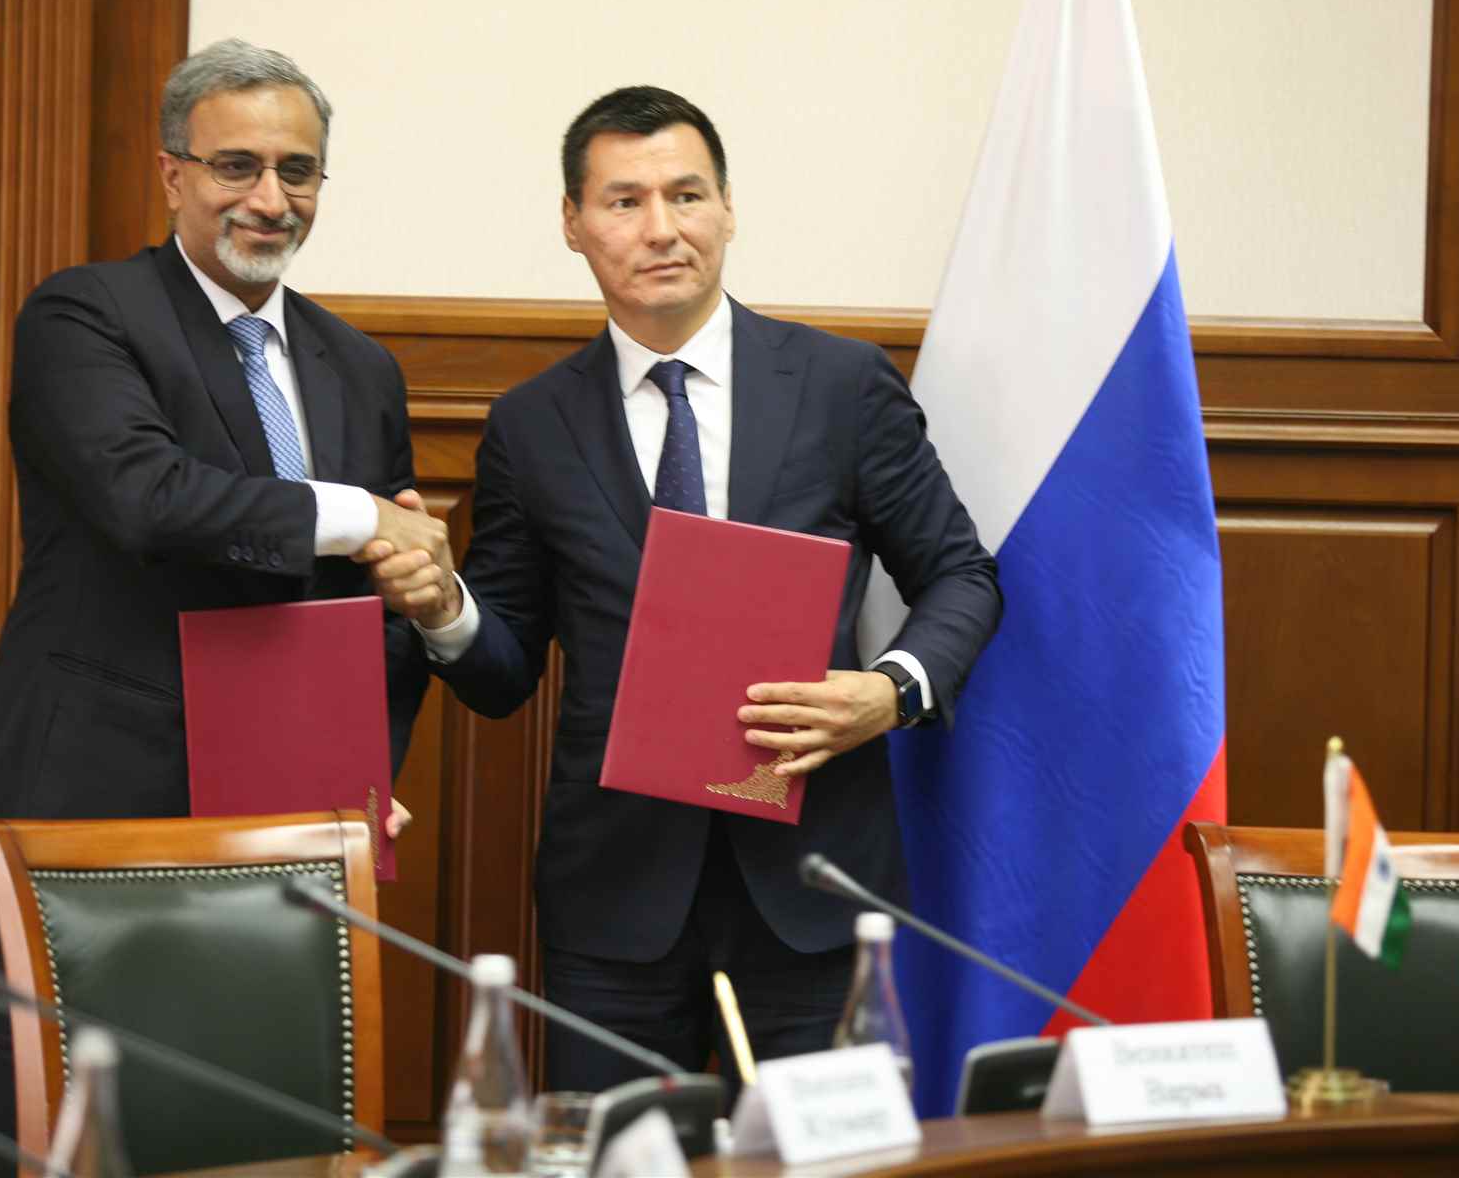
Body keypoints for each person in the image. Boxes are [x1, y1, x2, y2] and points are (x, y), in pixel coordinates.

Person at [366, 86, 1002, 1095]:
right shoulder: (532, 424)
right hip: (613, 903)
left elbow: (962, 576)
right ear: (574, 223)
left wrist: (890, 690)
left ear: (729, 209)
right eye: (624, 201)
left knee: (823, 1162)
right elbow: (502, 673)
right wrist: (444, 607)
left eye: (687, 194)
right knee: (623, 1157)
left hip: (816, 881)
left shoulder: (841, 385)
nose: (661, 228)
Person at [0, 37, 449, 1160]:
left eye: (296, 170)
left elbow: (367, 614)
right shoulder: (86, 313)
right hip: (88, 814)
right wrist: (358, 511)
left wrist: (365, 771)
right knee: (91, 1146)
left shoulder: (361, 368)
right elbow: (147, 500)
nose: (270, 198)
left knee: (259, 1148)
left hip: (281, 824)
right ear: (173, 175)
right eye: (236, 166)